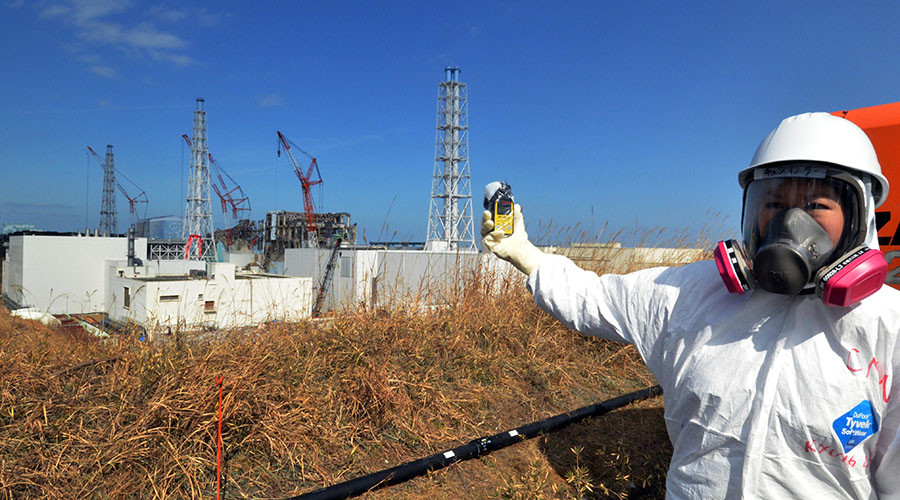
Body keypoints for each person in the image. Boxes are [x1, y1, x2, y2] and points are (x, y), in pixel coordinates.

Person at [481, 112, 900, 499]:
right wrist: (526, 255)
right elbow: (592, 299)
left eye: (815, 205)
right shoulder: (692, 293)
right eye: (773, 203)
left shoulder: (888, 325)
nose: (790, 222)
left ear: (860, 216)